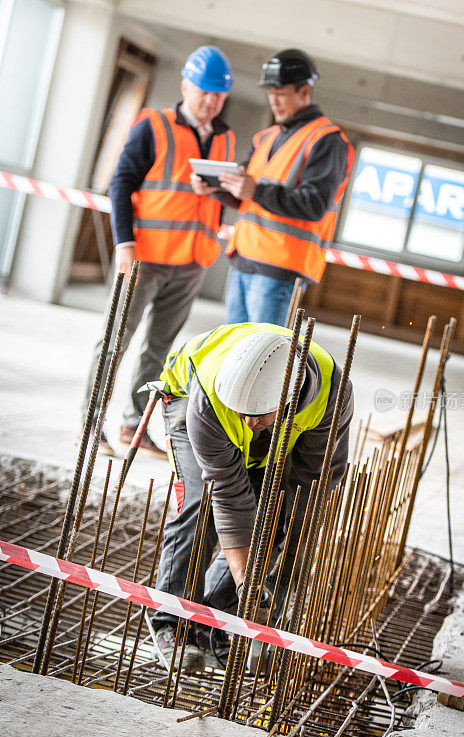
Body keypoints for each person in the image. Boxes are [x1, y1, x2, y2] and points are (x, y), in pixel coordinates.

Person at [151, 323, 354, 671]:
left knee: (274, 517)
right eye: (241, 412)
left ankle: (210, 620)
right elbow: (229, 495)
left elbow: (310, 484)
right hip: (185, 399)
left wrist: (284, 566)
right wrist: (249, 581)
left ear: (287, 401)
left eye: (255, 415)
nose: (246, 422)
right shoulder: (210, 398)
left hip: (284, 424)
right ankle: (171, 623)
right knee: (202, 507)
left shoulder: (329, 398)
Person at [81, 46, 235, 457]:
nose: (211, 101)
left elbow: (215, 196)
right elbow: (121, 183)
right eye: (204, 91)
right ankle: (89, 427)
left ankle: (135, 426)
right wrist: (123, 243)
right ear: (186, 84)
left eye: (218, 94)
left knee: (160, 350)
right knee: (115, 341)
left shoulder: (225, 137)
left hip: (191, 262)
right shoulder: (153, 126)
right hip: (145, 256)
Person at [192, 48, 353, 326]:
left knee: (264, 361)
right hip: (243, 259)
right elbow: (249, 197)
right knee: (236, 355)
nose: (273, 101)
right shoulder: (267, 137)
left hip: (280, 271)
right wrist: (217, 189)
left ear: (304, 92)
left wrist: (254, 191)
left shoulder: (327, 140)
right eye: (270, 93)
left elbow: (314, 205)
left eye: (281, 93)